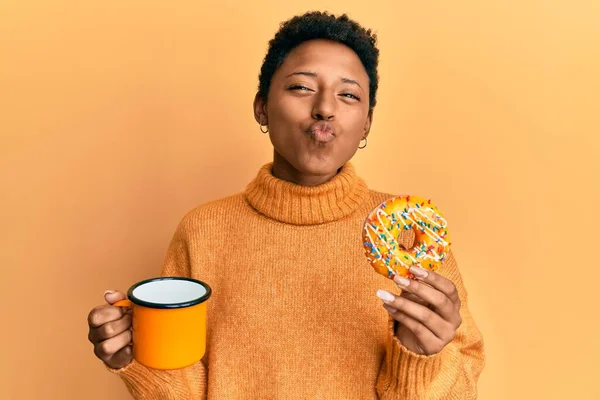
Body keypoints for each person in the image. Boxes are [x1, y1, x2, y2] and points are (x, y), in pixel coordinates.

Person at [87, 11, 485, 399]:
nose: (325, 107)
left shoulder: (414, 245)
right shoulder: (203, 230)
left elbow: (464, 388)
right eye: (301, 87)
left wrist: (420, 357)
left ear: (366, 123)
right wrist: (133, 358)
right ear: (261, 106)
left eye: (348, 94)